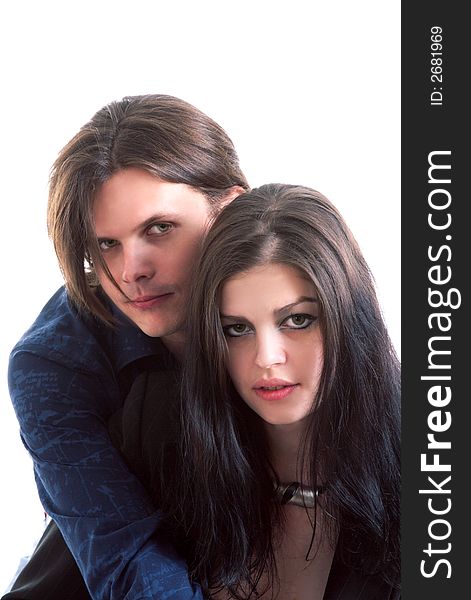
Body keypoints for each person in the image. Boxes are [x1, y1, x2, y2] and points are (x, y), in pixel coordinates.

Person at [6, 94, 248, 599]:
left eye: (159, 229)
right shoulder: (53, 362)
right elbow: (129, 563)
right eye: (106, 245)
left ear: (230, 209)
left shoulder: (300, 294)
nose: (130, 271)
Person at [108, 183, 400, 598]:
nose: (266, 357)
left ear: (350, 318)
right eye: (237, 329)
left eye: (297, 320)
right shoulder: (154, 434)